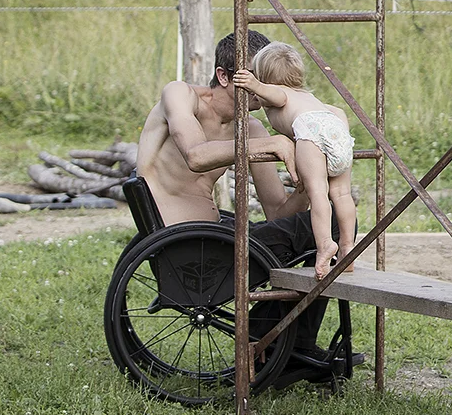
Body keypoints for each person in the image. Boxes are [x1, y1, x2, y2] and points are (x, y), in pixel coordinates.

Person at [137, 30, 340, 364]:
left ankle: (275, 340)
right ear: (224, 76)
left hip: (219, 240)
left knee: (326, 222)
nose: (265, 87)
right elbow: (196, 156)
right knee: (333, 226)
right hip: (184, 246)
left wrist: (307, 185)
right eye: (255, 77)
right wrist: (272, 144)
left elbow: (278, 213)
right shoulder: (181, 95)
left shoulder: (252, 129)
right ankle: (284, 344)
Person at [231, 42, 357, 273]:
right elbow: (337, 111)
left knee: (318, 192)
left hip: (311, 131)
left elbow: (277, 96)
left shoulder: (279, 94)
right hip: (336, 127)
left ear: (264, 78)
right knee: (341, 193)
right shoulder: (307, 96)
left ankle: (325, 245)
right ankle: (347, 247)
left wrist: (253, 84)